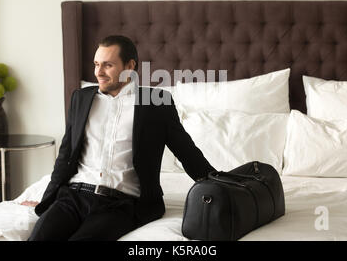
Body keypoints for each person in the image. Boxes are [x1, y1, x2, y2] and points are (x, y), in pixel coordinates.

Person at [24, 35, 216, 241]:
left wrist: (223, 189)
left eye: (107, 65)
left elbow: (187, 153)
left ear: (129, 66)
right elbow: (65, 156)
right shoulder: (81, 98)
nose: (98, 72)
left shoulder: (156, 103)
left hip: (119, 205)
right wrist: (46, 199)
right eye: (96, 64)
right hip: (72, 196)